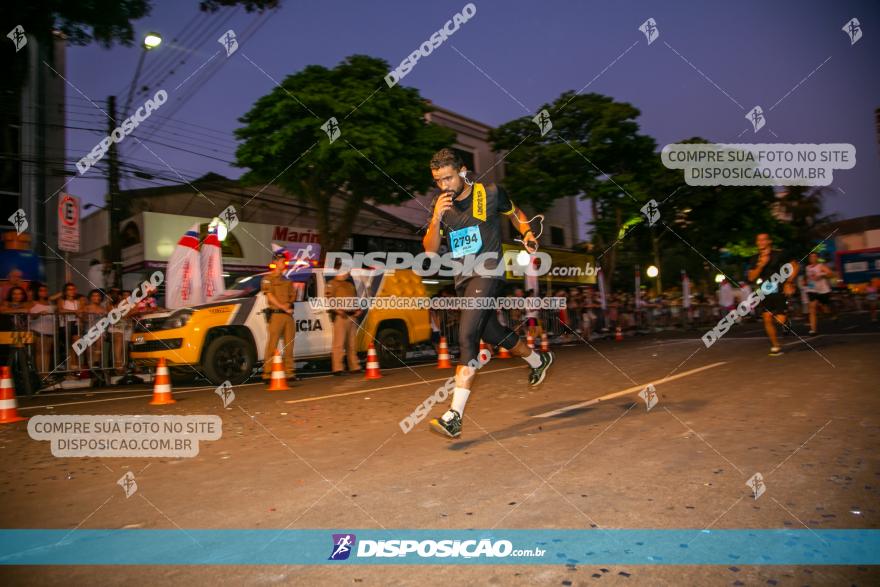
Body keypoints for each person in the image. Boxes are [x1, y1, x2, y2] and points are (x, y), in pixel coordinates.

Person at [422, 148, 553, 438]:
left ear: (463, 171)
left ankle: (454, 415)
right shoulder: (440, 206)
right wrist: (434, 219)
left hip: (489, 271)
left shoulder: (490, 193)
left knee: (467, 336)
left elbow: (516, 213)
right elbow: (430, 250)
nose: (444, 186)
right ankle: (537, 360)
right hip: (463, 280)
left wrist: (528, 234)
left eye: (448, 178)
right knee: (493, 333)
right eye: (438, 180)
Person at [747, 233, 799, 356]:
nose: (761, 242)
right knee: (767, 318)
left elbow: (795, 266)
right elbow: (751, 277)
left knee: (780, 320)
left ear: (769, 241)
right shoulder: (754, 258)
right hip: (765, 289)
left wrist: (789, 282)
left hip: (779, 287)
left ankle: (786, 320)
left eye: (763, 239)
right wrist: (761, 265)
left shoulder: (778, 254)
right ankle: (776, 346)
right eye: (758, 240)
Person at [261, 250, 297, 381]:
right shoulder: (267, 279)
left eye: (285, 261)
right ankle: (267, 373)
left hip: (288, 316)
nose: (284, 263)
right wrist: (283, 307)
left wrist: (288, 304)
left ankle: (289, 372)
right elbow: (269, 295)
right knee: (272, 344)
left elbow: (293, 296)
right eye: (282, 261)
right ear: (275, 262)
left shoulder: (288, 281)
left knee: (289, 345)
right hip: (276, 315)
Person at [326, 267, 362, 376]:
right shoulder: (332, 283)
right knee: (339, 344)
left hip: (352, 316)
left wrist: (358, 309)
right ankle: (338, 368)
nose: (349, 272)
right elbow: (329, 298)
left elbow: (355, 299)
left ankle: (354, 366)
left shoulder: (349, 285)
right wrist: (338, 310)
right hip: (341, 317)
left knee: (352, 344)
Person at [56, 282, 84, 374]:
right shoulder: (62, 300)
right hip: (65, 325)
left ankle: (74, 364)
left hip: (76, 324)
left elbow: (81, 312)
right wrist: (75, 312)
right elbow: (60, 310)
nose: (72, 291)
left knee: (75, 343)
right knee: (68, 346)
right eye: (69, 289)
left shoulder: (78, 301)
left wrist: (75, 312)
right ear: (65, 291)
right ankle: (70, 366)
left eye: (73, 289)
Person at [29, 283, 56, 376]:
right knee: (39, 353)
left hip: (49, 330)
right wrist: (39, 313)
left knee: (47, 353)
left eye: (45, 290)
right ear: (37, 292)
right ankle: (41, 373)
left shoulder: (50, 302)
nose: (44, 292)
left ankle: (46, 373)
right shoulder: (33, 302)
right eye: (41, 290)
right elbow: (30, 316)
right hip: (38, 330)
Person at [804, 252, 834, 335]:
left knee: (825, 308)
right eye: (811, 257)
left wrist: (821, 274)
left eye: (814, 257)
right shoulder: (807, 267)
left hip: (823, 290)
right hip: (812, 290)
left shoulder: (821, 266)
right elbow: (808, 277)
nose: (812, 258)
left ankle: (830, 313)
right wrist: (805, 281)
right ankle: (813, 330)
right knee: (812, 308)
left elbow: (831, 274)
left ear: (817, 258)